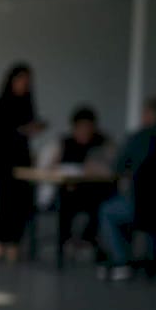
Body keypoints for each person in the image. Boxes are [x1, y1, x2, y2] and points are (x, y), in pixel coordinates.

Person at [97, 97, 156, 280]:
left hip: (143, 209)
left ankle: (122, 262)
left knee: (107, 210)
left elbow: (118, 168)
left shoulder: (138, 139)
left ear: (149, 114)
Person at [0, 63, 47, 262]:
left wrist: (32, 129)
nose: (24, 84)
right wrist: (19, 131)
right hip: (4, 160)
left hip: (23, 160)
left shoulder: (27, 105)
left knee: (21, 203)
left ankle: (15, 243)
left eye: (27, 81)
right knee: (4, 202)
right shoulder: (0, 105)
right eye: (21, 80)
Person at [42, 106, 114, 250]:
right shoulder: (65, 142)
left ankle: (88, 238)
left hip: (94, 190)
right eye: (81, 127)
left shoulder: (102, 142)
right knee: (66, 197)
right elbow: (50, 167)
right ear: (74, 127)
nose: (85, 131)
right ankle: (66, 239)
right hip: (70, 190)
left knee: (103, 200)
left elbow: (113, 165)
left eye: (89, 127)